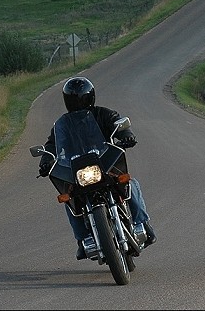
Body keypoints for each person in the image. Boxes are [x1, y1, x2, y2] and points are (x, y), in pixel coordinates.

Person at [38, 76, 157, 260]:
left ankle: (144, 223)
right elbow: (52, 144)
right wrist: (46, 160)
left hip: (105, 164)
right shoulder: (62, 125)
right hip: (79, 171)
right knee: (70, 202)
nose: (77, 101)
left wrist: (127, 135)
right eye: (73, 98)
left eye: (80, 97)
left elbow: (118, 124)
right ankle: (82, 239)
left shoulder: (104, 114)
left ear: (89, 97)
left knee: (130, 183)